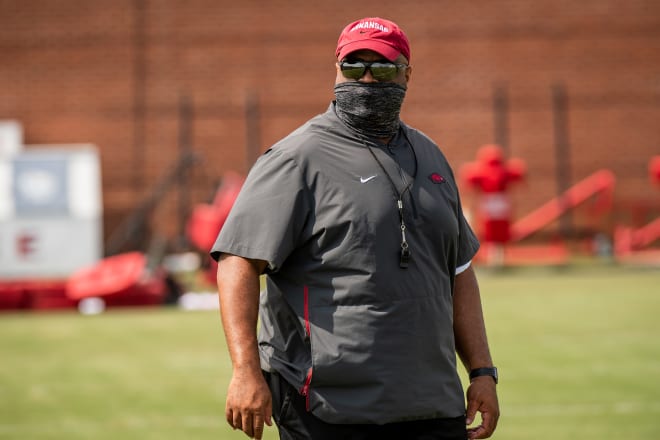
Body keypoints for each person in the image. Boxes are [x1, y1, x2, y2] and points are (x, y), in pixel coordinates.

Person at [211, 17, 500, 440]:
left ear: (407, 74)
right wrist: (244, 371)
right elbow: (237, 261)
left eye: (382, 68)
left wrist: (482, 371)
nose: (366, 79)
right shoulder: (296, 159)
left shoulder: (431, 156)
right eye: (353, 67)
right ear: (336, 71)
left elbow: (458, 271)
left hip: (432, 403)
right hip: (328, 409)